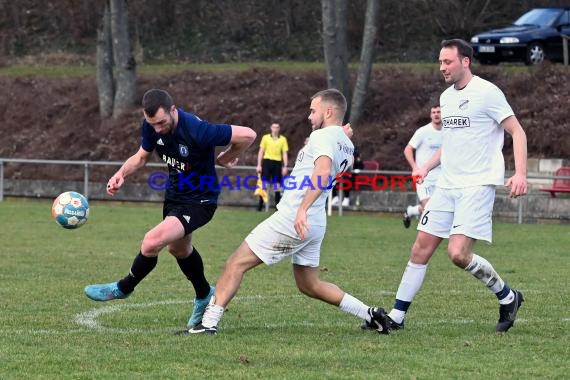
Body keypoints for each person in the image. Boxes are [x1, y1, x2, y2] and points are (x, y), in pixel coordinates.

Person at [185, 89, 390, 335]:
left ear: (328, 111)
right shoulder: (345, 143)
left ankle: (207, 324)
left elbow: (323, 172)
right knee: (309, 284)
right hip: (315, 222)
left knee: (235, 264)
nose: (308, 116)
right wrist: (340, 135)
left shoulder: (324, 137)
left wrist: (302, 209)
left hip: (295, 217)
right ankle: (370, 313)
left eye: (313, 110)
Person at [368, 39, 528, 333]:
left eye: (447, 62)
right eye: (440, 62)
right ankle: (397, 317)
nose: (442, 67)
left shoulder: (487, 92)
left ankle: (508, 296)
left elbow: (517, 131)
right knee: (420, 248)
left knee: (458, 255)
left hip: (477, 185)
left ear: (465, 61)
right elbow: (451, 143)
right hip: (447, 185)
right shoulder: (445, 97)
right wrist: (427, 165)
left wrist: (520, 173)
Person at [84, 89, 256, 329]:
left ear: (173, 110)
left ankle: (123, 288)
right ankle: (205, 294)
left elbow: (248, 134)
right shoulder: (152, 125)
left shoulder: (198, 130)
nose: (157, 129)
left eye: (161, 123)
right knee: (180, 250)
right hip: (175, 196)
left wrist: (227, 157)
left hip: (201, 200)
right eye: (152, 124)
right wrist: (120, 174)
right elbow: (142, 156)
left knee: (151, 241)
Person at [402, 105, 442, 228]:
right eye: (433, 112)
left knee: (438, 207)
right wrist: (415, 167)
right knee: (430, 207)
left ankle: (411, 211)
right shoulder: (423, 131)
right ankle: (426, 234)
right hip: (423, 178)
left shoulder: (449, 131)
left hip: (442, 177)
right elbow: (408, 149)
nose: (436, 114)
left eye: (439, 112)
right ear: (430, 115)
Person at [256, 123, 289, 211]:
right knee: (264, 185)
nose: (275, 129)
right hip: (267, 162)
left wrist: (285, 166)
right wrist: (259, 164)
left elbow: (284, 153)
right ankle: (260, 206)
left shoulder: (283, 139)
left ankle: (277, 207)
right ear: (271, 128)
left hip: (277, 163)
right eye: (274, 127)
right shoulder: (265, 138)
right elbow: (261, 151)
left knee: (276, 186)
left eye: (277, 127)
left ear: (279, 129)